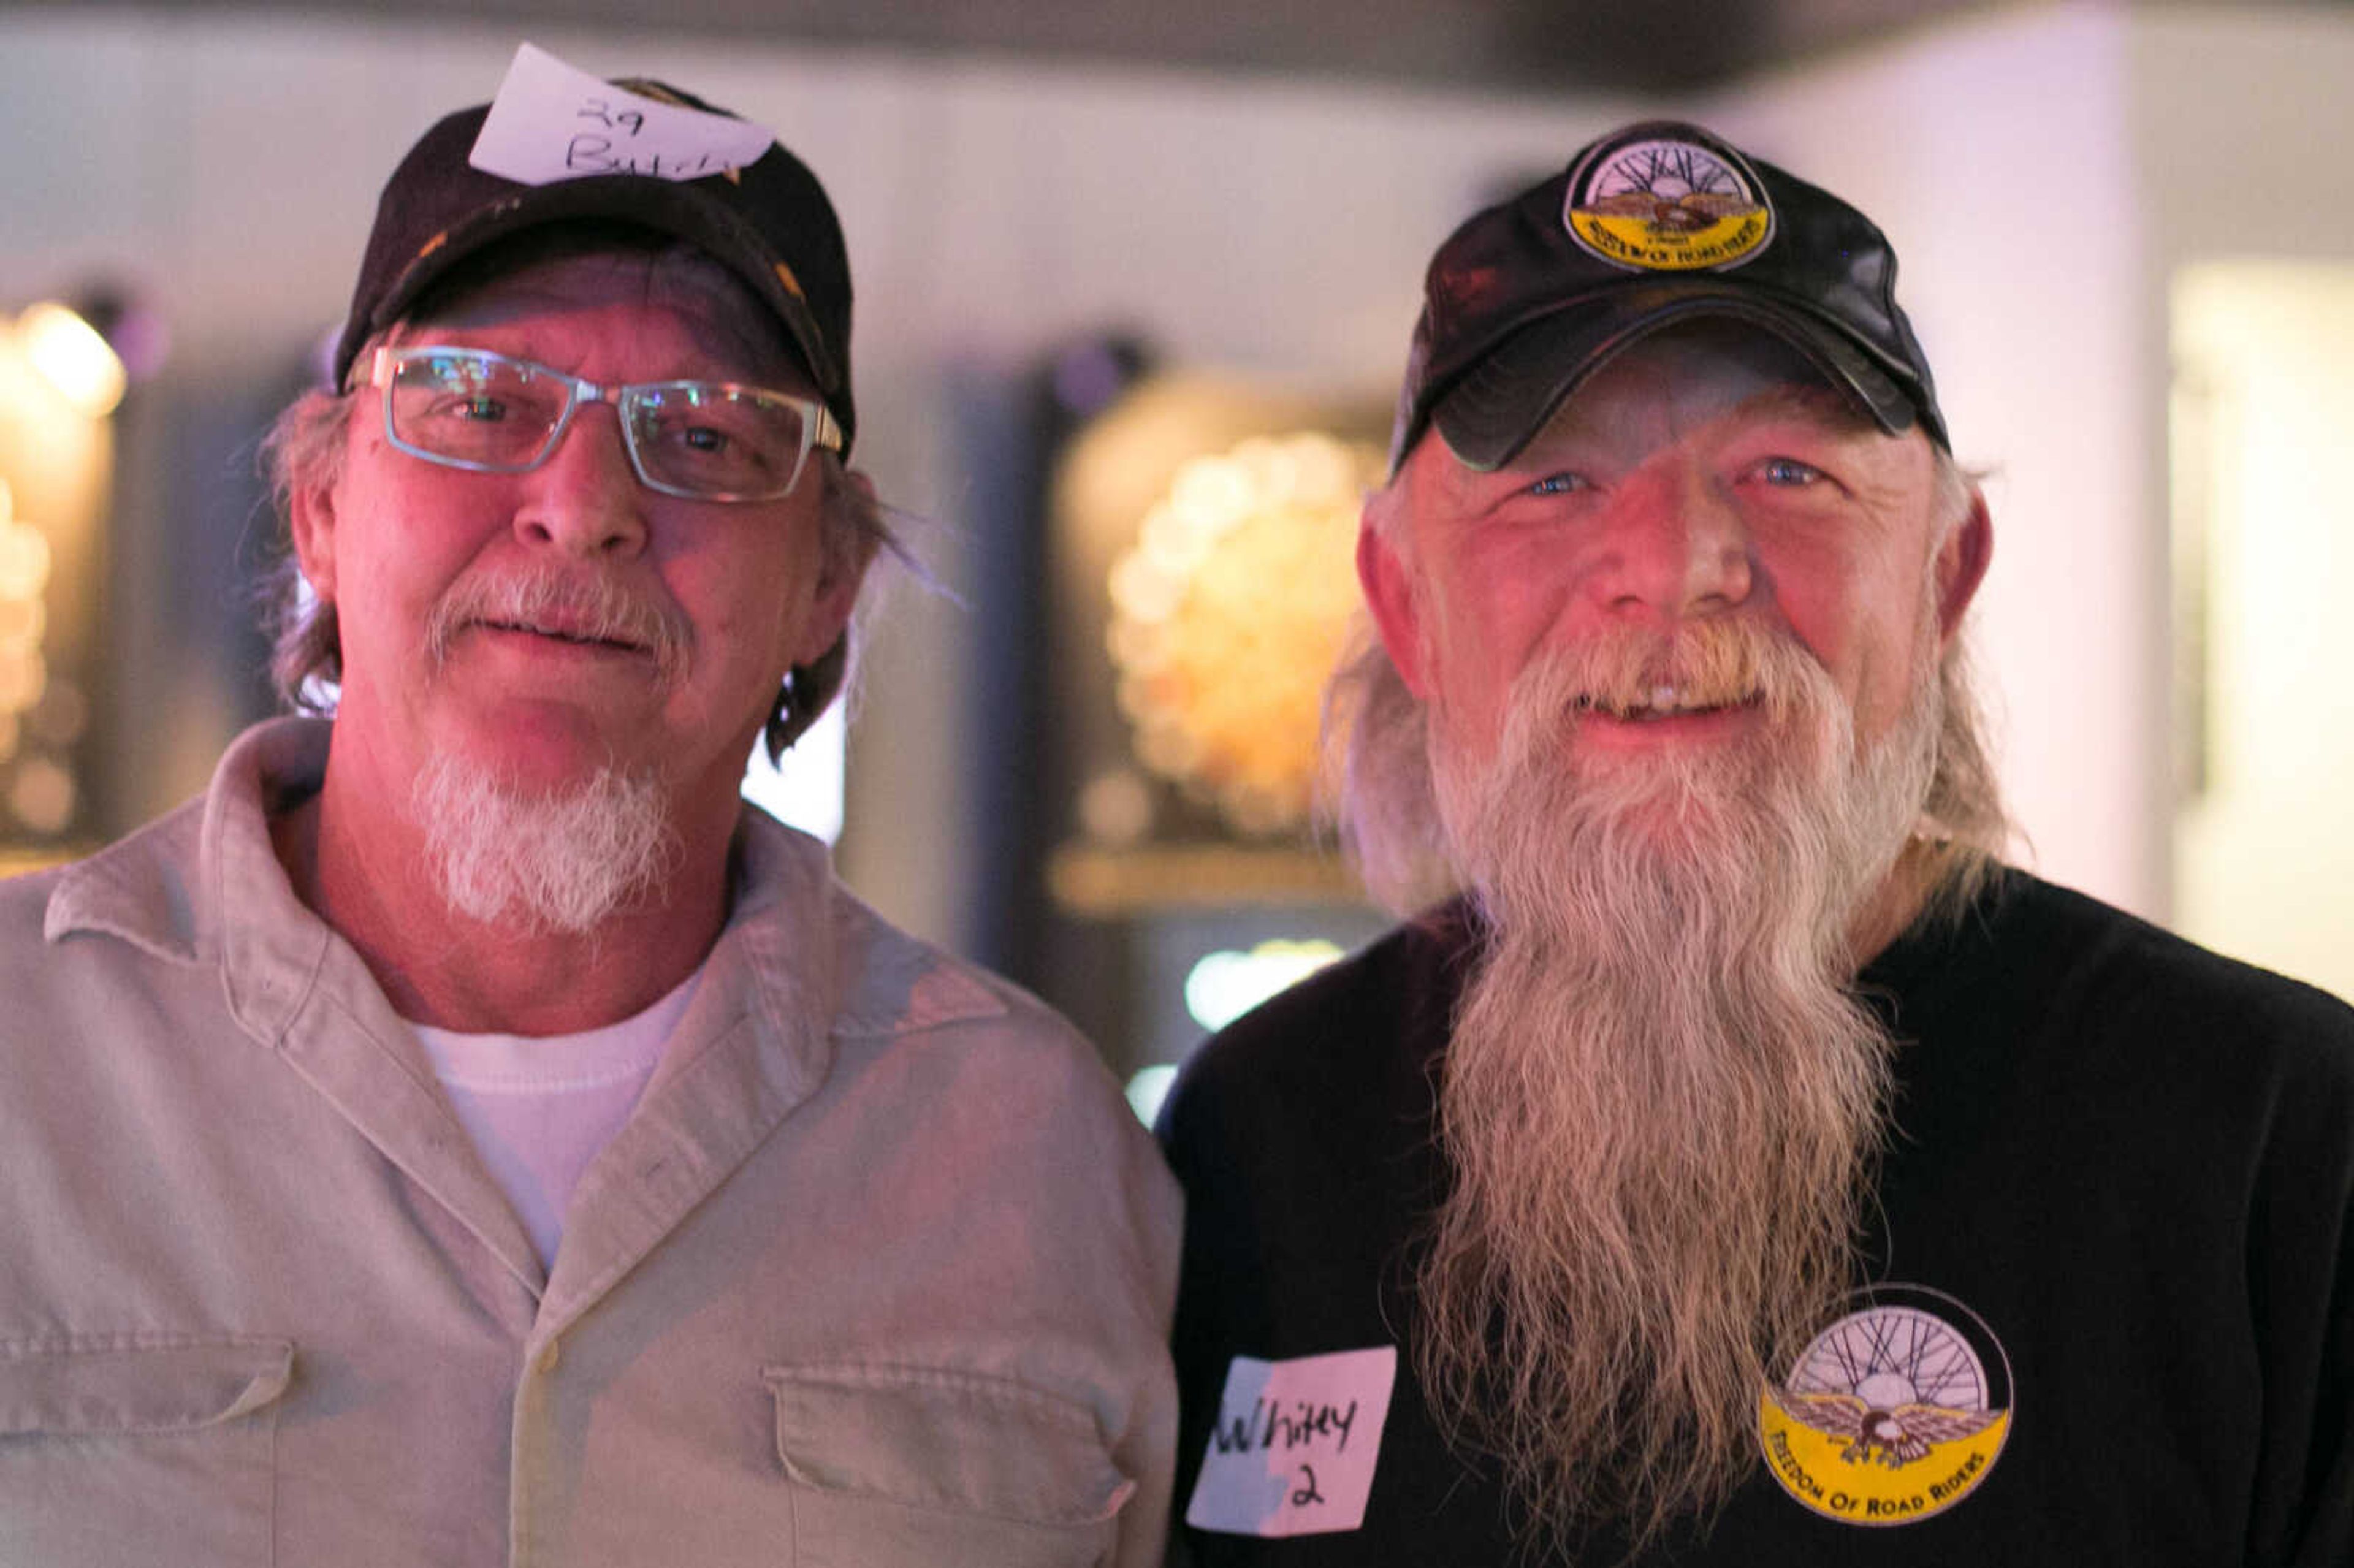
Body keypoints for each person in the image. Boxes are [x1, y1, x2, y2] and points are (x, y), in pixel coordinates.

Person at [0, 57, 1178, 1567]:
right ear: (322, 505)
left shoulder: (1039, 1153)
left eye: (706, 435)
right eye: (481, 402)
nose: (583, 501)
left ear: (826, 580)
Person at [1156, 119, 2354, 1566]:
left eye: (1790, 471)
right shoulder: (1256, 1139)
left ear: (1944, 576)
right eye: (1553, 480)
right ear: (1405, 604)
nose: (1676, 565)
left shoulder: (2273, 1141)